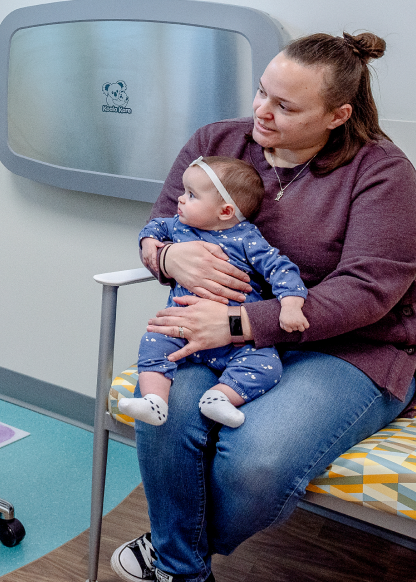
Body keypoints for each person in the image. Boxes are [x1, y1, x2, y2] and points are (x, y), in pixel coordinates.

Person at [110, 32, 416, 582]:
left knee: (253, 464)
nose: (262, 112)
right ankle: (183, 579)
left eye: (286, 106)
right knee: (168, 413)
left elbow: (367, 292)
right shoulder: (218, 144)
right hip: (222, 339)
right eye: (262, 92)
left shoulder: (382, 174)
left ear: (337, 115)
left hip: (350, 352)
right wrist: (166, 257)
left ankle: (172, 551)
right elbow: (160, 227)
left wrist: (240, 323)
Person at [120, 155, 308, 429]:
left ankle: (220, 398)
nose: (180, 199)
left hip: (238, 339)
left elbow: (280, 269)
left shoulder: (247, 239)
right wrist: (150, 244)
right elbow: (155, 226)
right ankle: (154, 401)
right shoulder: (178, 226)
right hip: (183, 329)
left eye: (192, 195)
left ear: (225, 211)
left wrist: (291, 304)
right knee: (153, 341)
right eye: (184, 191)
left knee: (267, 365)